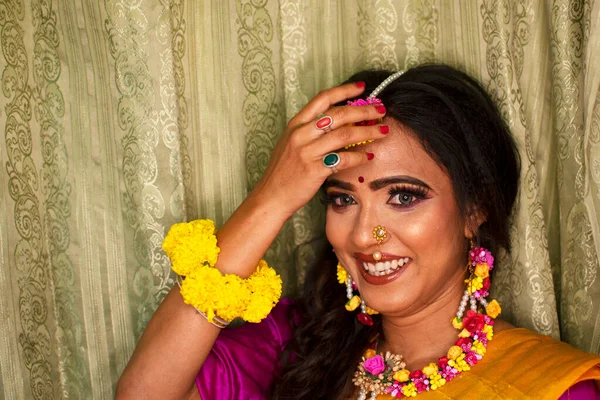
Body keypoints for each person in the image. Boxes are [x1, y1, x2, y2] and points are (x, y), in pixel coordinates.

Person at [116, 64, 600, 400]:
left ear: (474, 209)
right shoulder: (301, 347)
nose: (366, 235)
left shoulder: (550, 387)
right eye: (343, 199)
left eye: (404, 196)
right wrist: (272, 197)